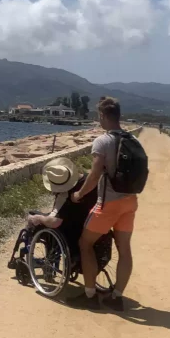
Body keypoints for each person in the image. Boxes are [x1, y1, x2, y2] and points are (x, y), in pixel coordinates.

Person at [67, 97, 139, 312]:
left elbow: (96, 173)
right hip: (130, 202)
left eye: (99, 116)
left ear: (104, 116)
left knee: (85, 243)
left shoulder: (103, 141)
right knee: (124, 249)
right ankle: (117, 298)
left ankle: (89, 295)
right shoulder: (133, 140)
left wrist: (79, 194)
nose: (98, 120)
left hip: (109, 204)